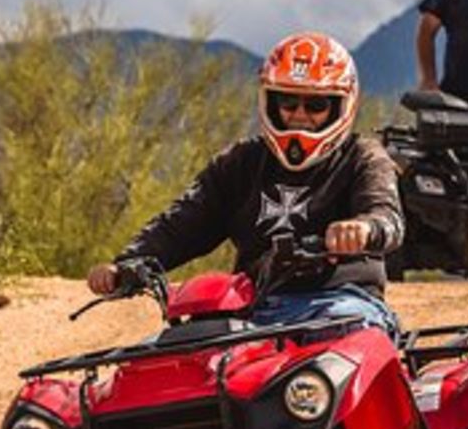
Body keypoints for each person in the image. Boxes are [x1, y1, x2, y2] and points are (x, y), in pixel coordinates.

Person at [86, 32, 404, 334]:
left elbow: (387, 215)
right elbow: (182, 224)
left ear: (340, 106)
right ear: (271, 101)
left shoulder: (362, 156)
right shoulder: (241, 162)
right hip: (252, 307)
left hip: (342, 302)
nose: (300, 114)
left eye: (316, 105)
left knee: (348, 336)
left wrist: (365, 228)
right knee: (177, 355)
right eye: (288, 102)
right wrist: (126, 265)